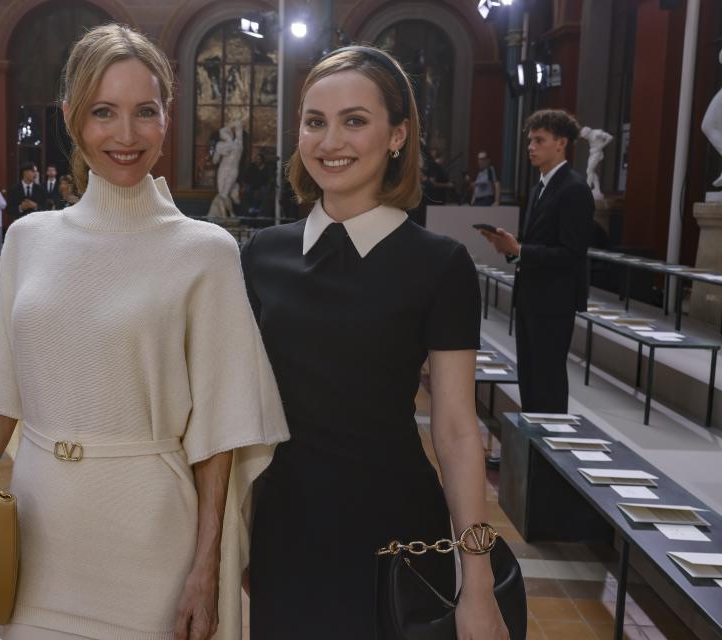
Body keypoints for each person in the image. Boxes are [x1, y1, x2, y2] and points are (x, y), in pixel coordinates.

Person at [0, 24, 288, 640]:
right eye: (103, 112)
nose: (125, 134)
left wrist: (206, 567)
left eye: (145, 112)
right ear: (70, 116)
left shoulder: (206, 252)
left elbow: (221, 431)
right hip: (34, 532)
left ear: (167, 118)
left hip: (150, 541)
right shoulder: (28, 240)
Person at [243, 46, 508, 639]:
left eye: (355, 120)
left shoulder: (439, 264)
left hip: (395, 533)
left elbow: (457, 429)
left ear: (398, 135)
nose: (330, 140)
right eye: (316, 122)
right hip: (285, 529)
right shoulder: (264, 254)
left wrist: (478, 579)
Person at [480, 109, 593, 412]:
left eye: (539, 140)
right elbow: (535, 244)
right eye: (530, 140)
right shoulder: (539, 188)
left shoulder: (575, 189)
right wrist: (509, 246)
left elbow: (572, 254)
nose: (531, 146)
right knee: (529, 378)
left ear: (561, 143)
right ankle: (529, 449)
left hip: (554, 301)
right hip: (532, 295)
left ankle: (545, 453)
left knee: (548, 379)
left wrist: (521, 250)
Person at [5, 163, 45, 227]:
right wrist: (20, 207)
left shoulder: (40, 189)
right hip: (20, 224)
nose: (35, 174)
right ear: (25, 172)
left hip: (36, 224)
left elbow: (46, 207)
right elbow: (8, 209)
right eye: (33, 171)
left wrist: (35, 206)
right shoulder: (14, 189)